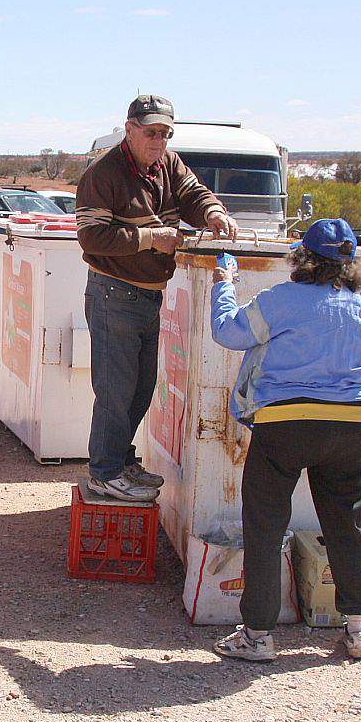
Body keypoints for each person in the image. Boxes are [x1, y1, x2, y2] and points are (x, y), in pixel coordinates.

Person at [208, 218, 361, 662]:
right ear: (350, 263)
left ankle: (257, 637)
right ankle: (356, 630)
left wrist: (224, 284)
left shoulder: (281, 299)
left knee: (266, 527)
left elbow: (229, 333)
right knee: (346, 525)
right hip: (355, 425)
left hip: (286, 423)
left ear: (302, 258)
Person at [76, 94, 237, 502]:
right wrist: (151, 239)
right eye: (151, 132)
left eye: (165, 133)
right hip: (114, 293)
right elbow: (91, 236)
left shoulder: (168, 165)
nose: (158, 141)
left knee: (140, 388)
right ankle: (105, 472)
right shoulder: (104, 173)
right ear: (129, 129)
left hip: (147, 297)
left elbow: (194, 194)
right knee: (115, 391)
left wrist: (214, 212)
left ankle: (121, 461)